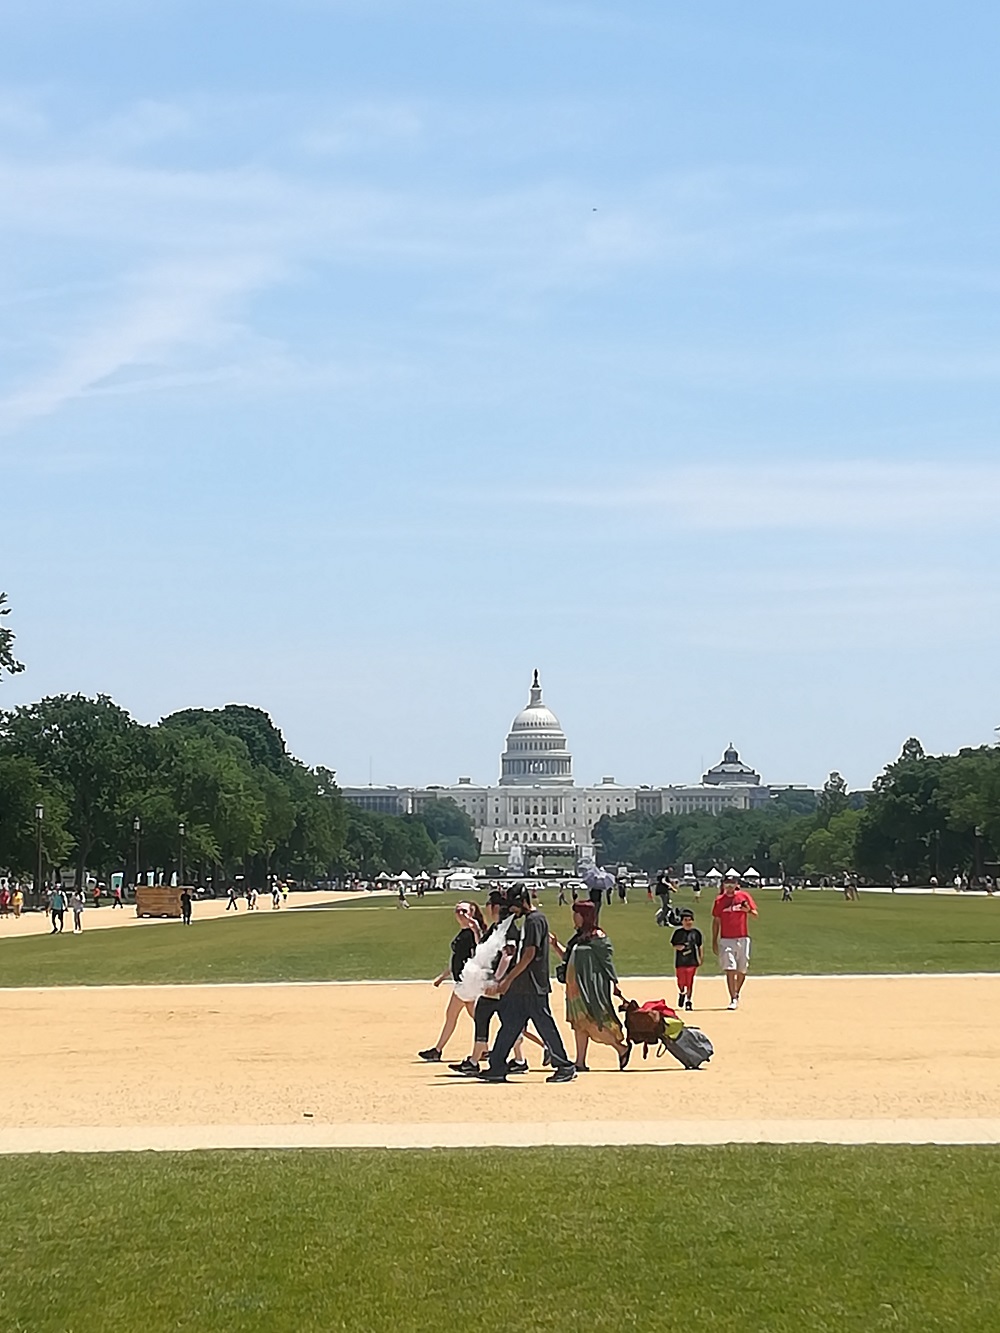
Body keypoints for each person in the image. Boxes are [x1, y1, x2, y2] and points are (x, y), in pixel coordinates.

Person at [478, 884, 576, 1083]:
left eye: (514, 905)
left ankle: (564, 1065)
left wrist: (508, 979)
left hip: (532, 985)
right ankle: (497, 1066)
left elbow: (530, 954)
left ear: (522, 902)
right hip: (523, 986)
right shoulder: (530, 921)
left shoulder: (534, 920)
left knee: (544, 1024)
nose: (512, 910)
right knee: (510, 1025)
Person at [448, 891, 538, 1075]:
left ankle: (478, 1061)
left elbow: (508, 955)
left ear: (495, 907)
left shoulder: (509, 929)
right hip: (494, 982)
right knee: (494, 1018)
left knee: (499, 1019)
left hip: (501, 985)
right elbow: (484, 948)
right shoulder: (498, 927)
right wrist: (475, 930)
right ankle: (511, 1060)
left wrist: (498, 980)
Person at [551, 900, 630, 1071]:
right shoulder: (579, 937)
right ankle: (580, 1062)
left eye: (577, 913)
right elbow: (568, 957)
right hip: (574, 988)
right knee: (579, 1023)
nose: (574, 917)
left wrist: (614, 983)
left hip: (589, 988)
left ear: (585, 916)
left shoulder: (598, 937)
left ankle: (621, 1048)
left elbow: (606, 961)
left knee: (593, 1022)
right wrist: (554, 945)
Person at [418, 902, 485, 1061]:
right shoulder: (464, 933)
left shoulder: (470, 934)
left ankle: (438, 1050)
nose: (459, 913)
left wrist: (476, 930)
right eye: (457, 910)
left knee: (452, 1015)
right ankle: (485, 1049)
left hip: (466, 982)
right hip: (463, 981)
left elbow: (479, 951)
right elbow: (457, 960)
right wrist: (443, 976)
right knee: (476, 1017)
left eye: (464, 910)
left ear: (472, 914)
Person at [711, 876, 758, 1010]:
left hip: (743, 938)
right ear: (724, 885)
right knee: (730, 968)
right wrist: (714, 940)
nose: (730, 886)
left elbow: (755, 914)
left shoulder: (744, 896)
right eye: (727, 883)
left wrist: (747, 910)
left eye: (732, 883)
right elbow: (716, 921)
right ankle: (733, 998)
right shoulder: (719, 901)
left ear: (737, 884)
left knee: (742, 969)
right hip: (726, 939)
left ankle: (736, 991)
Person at [670, 908, 703, 1010]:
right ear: (682, 921)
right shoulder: (678, 933)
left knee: (689, 982)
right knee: (681, 981)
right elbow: (673, 944)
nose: (688, 922)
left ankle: (688, 1001)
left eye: (690, 920)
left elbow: (700, 946)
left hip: (692, 961)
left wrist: (700, 958)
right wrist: (678, 947)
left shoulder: (696, 933)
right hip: (680, 962)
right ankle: (682, 992)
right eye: (685, 920)